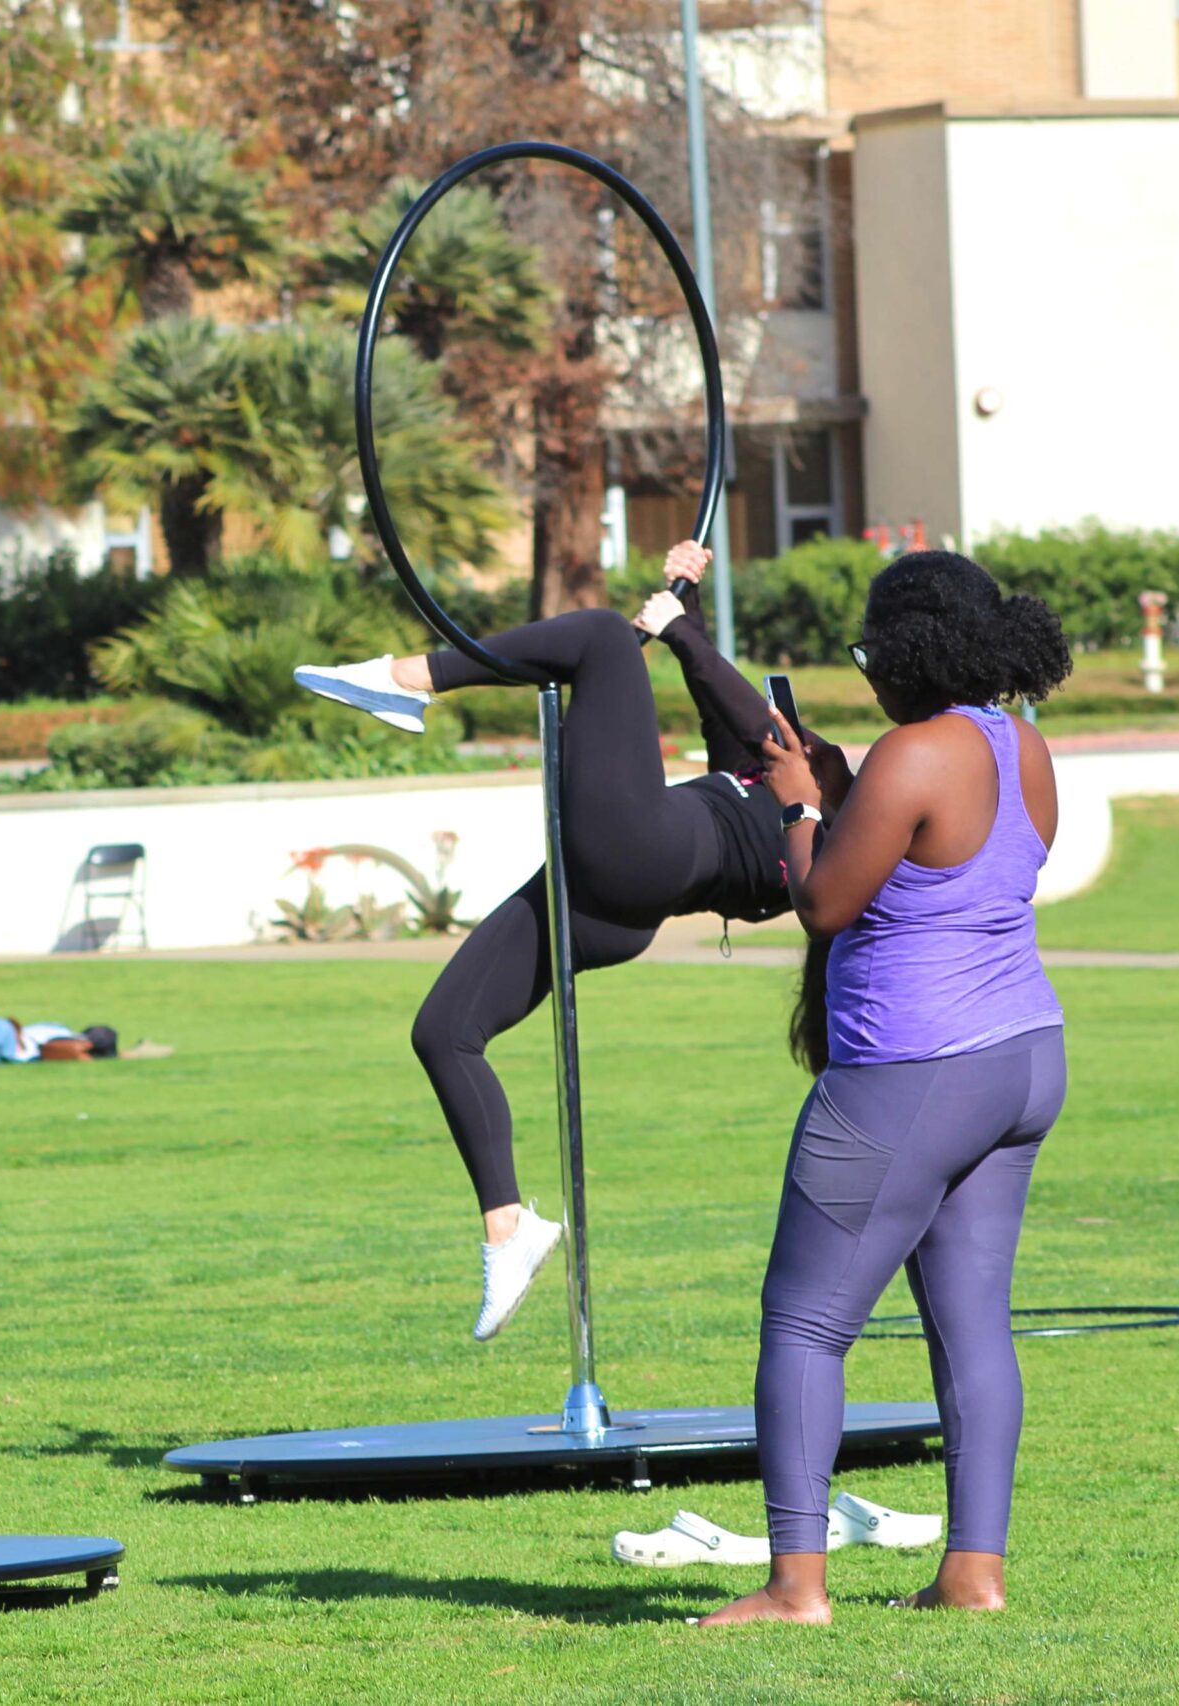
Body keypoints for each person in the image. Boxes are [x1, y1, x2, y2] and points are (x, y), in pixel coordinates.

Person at [296, 540, 841, 1340]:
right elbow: (713, 702)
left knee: (598, 639)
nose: (786, 734)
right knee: (444, 1032)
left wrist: (672, 633)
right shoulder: (760, 785)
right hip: (613, 907)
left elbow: (750, 721)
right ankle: (508, 1231)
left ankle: (401, 681)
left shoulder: (816, 804)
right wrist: (680, 601)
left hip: (642, 859)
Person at [698, 549, 1072, 1628]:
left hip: (913, 1066)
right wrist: (839, 785)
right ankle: (972, 1571)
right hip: (1023, 1054)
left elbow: (823, 901)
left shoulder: (909, 753)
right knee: (971, 1322)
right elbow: (950, 860)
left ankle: (793, 1586)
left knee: (804, 1323)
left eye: (869, 652)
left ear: (907, 650)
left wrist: (799, 807)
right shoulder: (1019, 740)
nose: (865, 674)